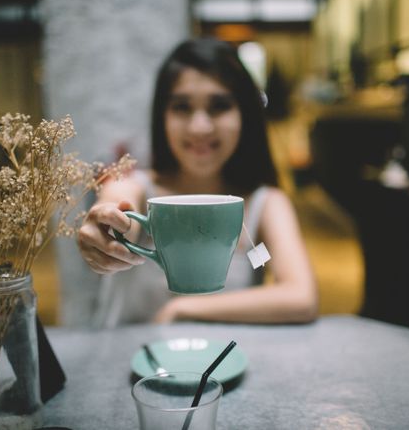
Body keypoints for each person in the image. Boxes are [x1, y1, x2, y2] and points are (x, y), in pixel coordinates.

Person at [77, 37, 318, 327]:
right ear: (162, 116)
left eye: (219, 106)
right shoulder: (136, 187)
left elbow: (300, 297)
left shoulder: (263, 204)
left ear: (245, 115)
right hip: (133, 368)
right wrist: (107, 226)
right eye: (182, 107)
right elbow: (118, 202)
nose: (199, 127)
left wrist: (184, 307)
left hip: (219, 369)